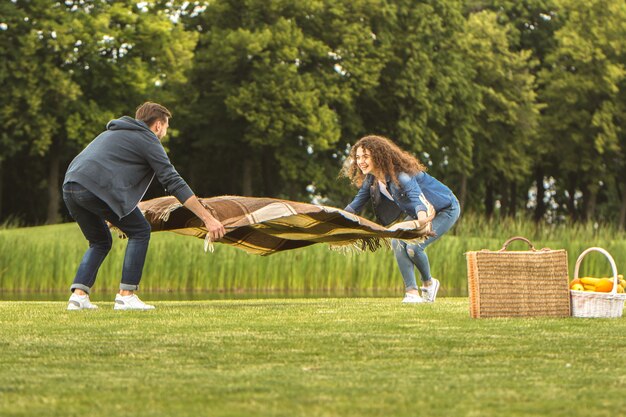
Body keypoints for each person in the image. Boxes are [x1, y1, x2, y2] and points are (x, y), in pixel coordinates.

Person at [62, 102, 225, 311]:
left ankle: (78, 297)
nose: (165, 132)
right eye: (166, 127)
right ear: (158, 125)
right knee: (140, 230)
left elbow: (109, 170)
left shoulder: (113, 134)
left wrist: (113, 209)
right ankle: (126, 296)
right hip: (94, 189)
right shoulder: (147, 139)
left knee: (99, 241)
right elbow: (172, 180)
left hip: (70, 187)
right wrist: (208, 218)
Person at [342, 135, 460, 303]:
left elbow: (417, 198)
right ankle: (411, 293)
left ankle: (429, 283)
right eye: (358, 157)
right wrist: (333, 221)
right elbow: (354, 206)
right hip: (419, 213)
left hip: (445, 208)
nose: (361, 161)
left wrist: (422, 222)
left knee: (414, 247)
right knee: (397, 241)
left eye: (365, 156)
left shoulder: (401, 176)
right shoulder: (372, 180)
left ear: (378, 156)